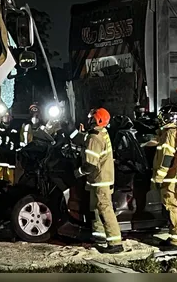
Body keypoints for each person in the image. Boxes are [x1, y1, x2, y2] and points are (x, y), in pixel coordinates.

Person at [73, 108, 123, 254]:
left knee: (105, 209)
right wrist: (71, 131)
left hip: (100, 180)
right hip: (100, 179)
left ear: (97, 120)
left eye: (91, 118)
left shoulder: (94, 137)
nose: (89, 120)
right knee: (96, 209)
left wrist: (78, 172)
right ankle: (100, 237)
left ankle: (115, 242)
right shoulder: (101, 132)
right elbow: (84, 139)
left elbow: (90, 165)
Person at [151, 104, 177, 251]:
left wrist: (159, 176)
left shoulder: (170, 134)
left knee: (171, 208)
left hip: (170, 178)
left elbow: (167, 156)